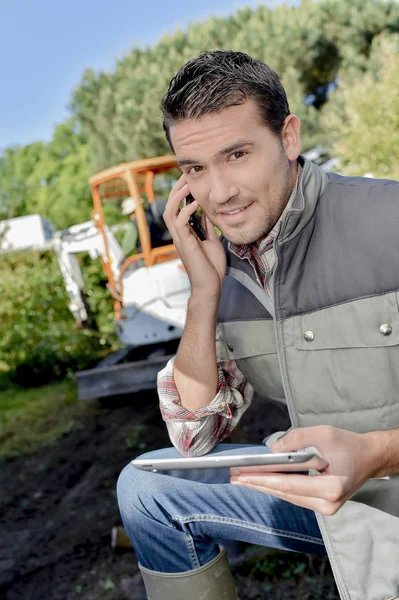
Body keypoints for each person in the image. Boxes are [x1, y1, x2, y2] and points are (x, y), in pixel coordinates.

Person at [117, 51, 399, 600]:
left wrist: (378, 455)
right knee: (149, 490)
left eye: (237, 154)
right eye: (195, 169)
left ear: (288, 138)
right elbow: (192, 434)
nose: (219, 192)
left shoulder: (390, 222)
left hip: (385, 485)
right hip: (336, 504)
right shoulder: (227, 272)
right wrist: (204, 292)